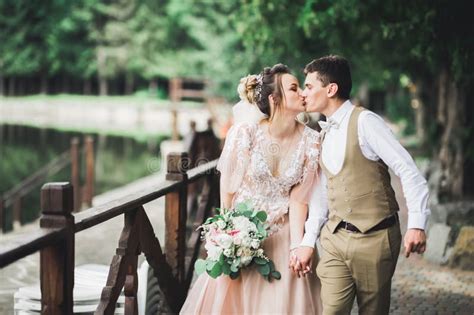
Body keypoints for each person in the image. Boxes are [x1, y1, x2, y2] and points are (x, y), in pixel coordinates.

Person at [291, 55, 430, 314]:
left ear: (331, 89)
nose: (303, 93)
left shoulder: (366, 122)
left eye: (309, 86)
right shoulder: (323, 132)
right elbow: (322, 193)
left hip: (376, 238)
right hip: (334, 239)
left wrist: (417, 224)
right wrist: (308, 240)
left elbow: (408, 170)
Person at [180, 64, 322, 314]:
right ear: (273, 98)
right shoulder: (246, 133)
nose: (302, 93)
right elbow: (228, 189)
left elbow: (300, 199)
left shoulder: (311, 141)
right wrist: (226, 234)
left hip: (284, 233)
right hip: (242, 234)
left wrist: (297, 245)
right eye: (294, 87)